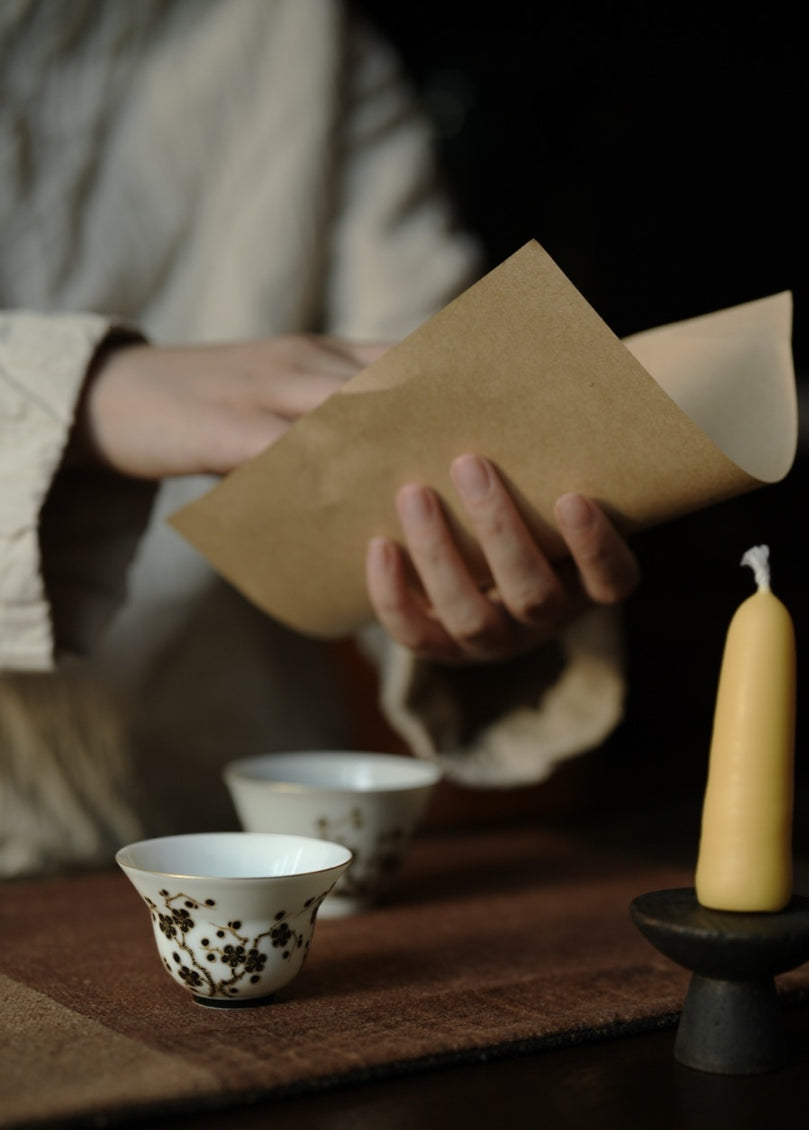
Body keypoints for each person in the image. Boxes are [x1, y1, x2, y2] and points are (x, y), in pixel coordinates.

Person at [0, 0, 638, 877]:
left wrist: (465, 578)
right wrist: (82, 392)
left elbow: (428, 403)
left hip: (234, 838)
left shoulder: (306, 38)